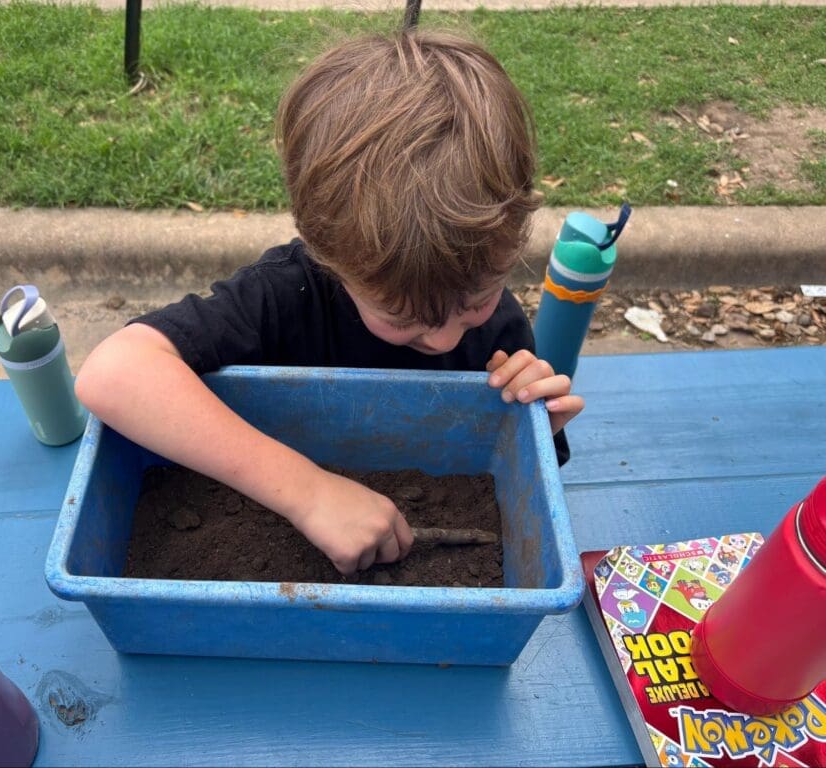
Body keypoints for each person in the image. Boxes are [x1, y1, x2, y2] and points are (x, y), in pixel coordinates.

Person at [75, 28, 584, 576]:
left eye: (475, 301)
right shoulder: (284, 295)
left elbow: (532, 486)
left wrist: (535, 429)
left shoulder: (502, 330)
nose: (445, 339)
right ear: (328, 257)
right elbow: (113, 372)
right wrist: (308, 492)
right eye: (401, 317)